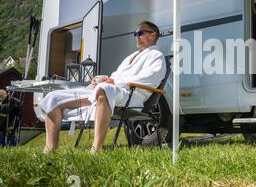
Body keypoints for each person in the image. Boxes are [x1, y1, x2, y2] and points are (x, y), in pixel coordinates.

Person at [39, 21, 166, 154]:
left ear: (153, 35)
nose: (136, 36)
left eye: (140, 33)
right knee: (53, 97)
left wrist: (114, 83)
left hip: (133, 95)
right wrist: (102, 80)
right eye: (135, 34)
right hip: (116, 91)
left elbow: (150, 78)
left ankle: (96, 149)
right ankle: (50, 149)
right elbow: (115, 76)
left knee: (104, 89)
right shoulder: (131, 56)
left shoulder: (156, 56)